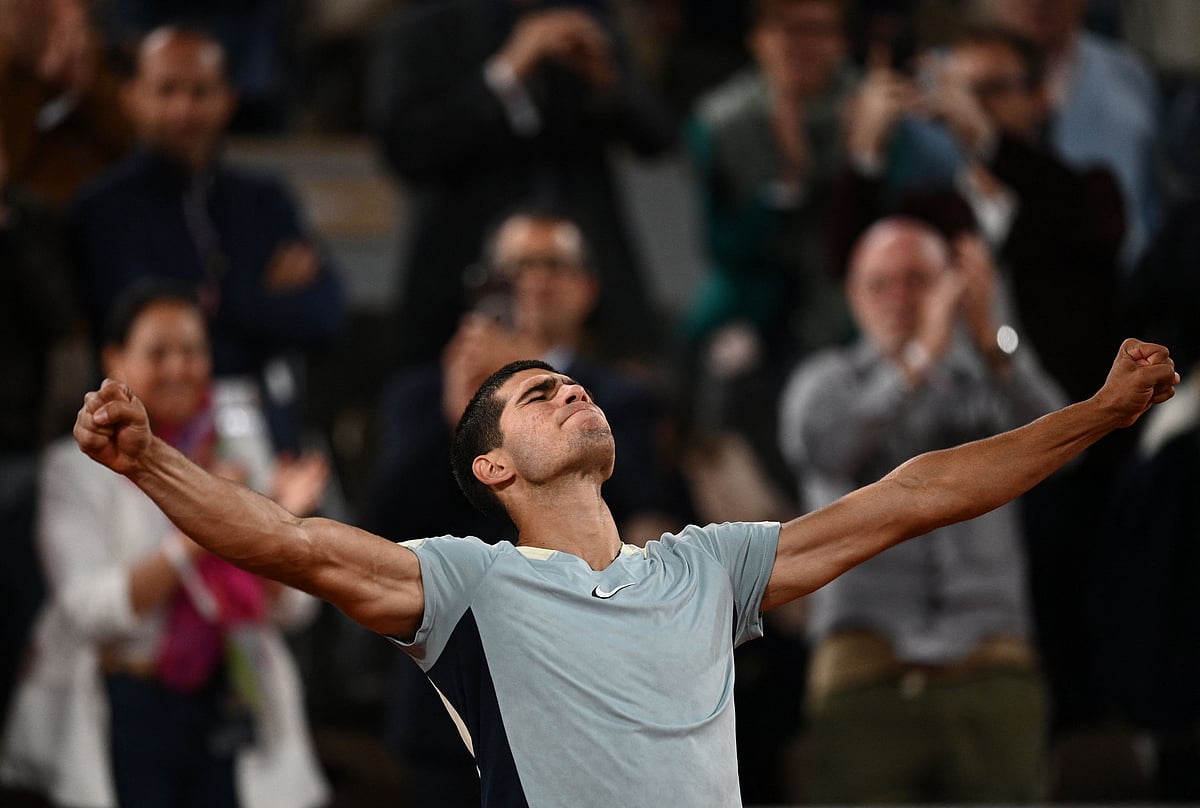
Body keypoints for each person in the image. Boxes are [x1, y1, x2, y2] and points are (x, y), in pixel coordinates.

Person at [63, 315, 1176, 805]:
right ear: (494, 470)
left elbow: (912, 496)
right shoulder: (471, 586)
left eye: (573, 382)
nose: (572, 391)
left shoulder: (707, 567)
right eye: (537, 395)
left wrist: (1093, 414)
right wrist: (149, 462)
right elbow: (292, 541)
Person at [366, 206, 687, 806]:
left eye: (553, 265)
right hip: (452, 692)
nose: (535, 281)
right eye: (516, 267)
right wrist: (461, 419)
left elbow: (639, 512)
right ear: (485, 283)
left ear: (588, 288)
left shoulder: (620, 397)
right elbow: (390, 526)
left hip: (586, 688)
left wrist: (525, 384)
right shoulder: (420, 393)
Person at [0, 281, 330, 808]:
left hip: (231, 691)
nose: (179, 367)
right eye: (158, 352)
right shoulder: (77, 463)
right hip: (130, 698)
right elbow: (86, 609)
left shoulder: (237, 445)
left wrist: (286, 534)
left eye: (192, 351)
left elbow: (296, 607)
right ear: (115, 357)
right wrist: (211, 525)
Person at [778, 218, 1066, 802]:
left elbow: (1062, 447)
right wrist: (915, 362)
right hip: (866, 660)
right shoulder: (825, 380)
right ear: (853, 295)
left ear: (951, 289)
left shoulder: (985, 381)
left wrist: (991, 338)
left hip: (990, 653)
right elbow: (829, 448)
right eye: (880, 284)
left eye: (917, 281)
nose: (899, 299)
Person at [69, 26, 346, 454]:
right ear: (131, 98)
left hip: (266, 432)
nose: (184, 109)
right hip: (143, 437)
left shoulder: (264, 200)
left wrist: (216, 300)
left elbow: (326, 315)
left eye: (200, 92)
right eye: (167, 90)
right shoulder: (100, 209)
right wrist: (259, 297)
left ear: (228, 99)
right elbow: (137, 325)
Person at [367, 0, 677, 367]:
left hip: (591, 280)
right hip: (459, 280)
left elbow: (657, 138)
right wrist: (504, 75)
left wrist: (608, 84)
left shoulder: (587, 21)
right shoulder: (421, 30)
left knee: (609, 411)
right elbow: (406, 150)